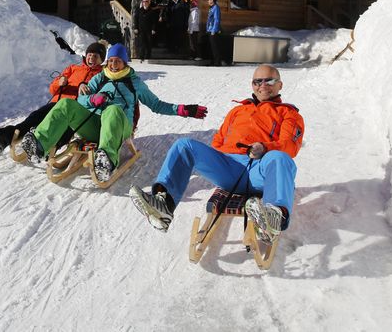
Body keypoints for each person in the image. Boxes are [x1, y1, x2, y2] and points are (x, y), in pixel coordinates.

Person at [129, 64, 304, 246]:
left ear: (279, 85)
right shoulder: (237, 111)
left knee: (281, 157)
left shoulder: (288, 113)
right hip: (228, 169)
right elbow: (218, 141)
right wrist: (220, 159)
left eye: (269, 81)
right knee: (184, 145)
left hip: (260, 171)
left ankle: (274, 218)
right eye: (257, 81)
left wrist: (265, 148)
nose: (263, 85)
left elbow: (290, 145)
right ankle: (164, 205)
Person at [19, 43, 207, 182]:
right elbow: (81, 99)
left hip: (120, 125)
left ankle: (107, 160)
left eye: (117, 60)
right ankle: (39, 146)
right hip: (93, 126)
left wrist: (182, 110)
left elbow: (157, 105)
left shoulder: (135, 82)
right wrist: (92, 99)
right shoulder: (99, 79)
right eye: (110, 60)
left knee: (113, 109)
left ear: (124, 62)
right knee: (66, 103)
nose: (113, 64)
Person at [0, 41, 106, 153]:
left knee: (63, 127)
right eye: (89, 54)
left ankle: (46, 149)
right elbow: (52, 88)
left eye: (96, 56)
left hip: (76, 109)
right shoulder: (73, 68)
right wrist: (60, 82)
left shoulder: (101, 75)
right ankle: (4, 137)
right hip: (58, 102)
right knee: (35, 117)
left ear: (101, 60)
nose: (91, 58)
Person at [206, 0, 223, 66]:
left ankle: (217, 62)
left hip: (213, 30)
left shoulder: (216, 8)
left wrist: (214, 30)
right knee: (211, 47)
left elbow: (216, 19)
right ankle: (212, 61)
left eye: (209, 0)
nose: (208, 1)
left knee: (215, 46)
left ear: (212, 0)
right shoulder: (212, 8)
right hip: (210, 29)